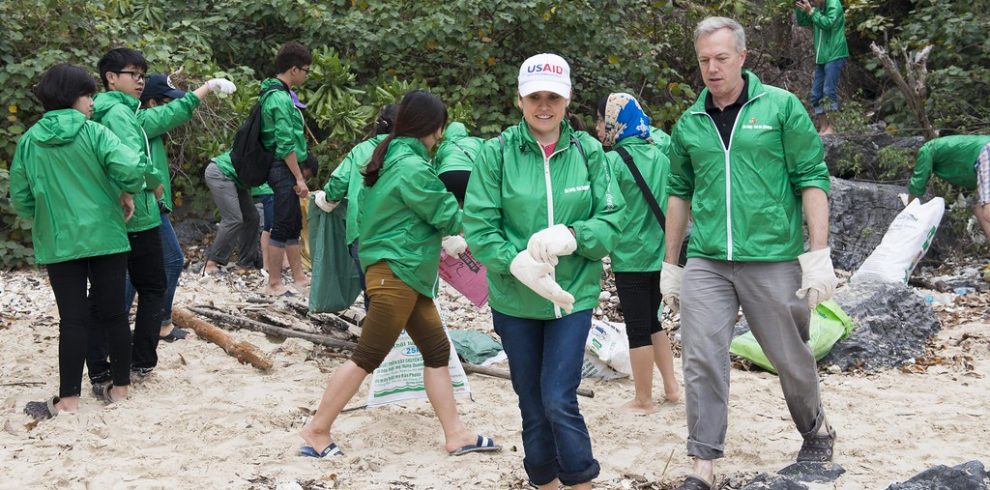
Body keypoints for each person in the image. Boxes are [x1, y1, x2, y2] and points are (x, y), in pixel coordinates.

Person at [660, 18, 839, 490]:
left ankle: (815, 427)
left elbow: (811, 179)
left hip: (773, 256)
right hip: (709, 259)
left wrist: (817, 256)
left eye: (721, 58)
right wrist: (671, 263)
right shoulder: (690, 122)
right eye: (704, 60)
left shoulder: (779, 107)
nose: (712, 68)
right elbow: (679, 192)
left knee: (789, 356)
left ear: (742, 56)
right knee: (699, 355)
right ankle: (702, 461)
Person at [298, 90, 498, 458]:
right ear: (431, 127)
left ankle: (455, 434)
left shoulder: (390, 156)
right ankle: (316, 430)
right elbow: (445, 212)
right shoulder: (411, 166)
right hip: (397, 272)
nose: (439, 138)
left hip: (407, 274)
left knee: (437, 353)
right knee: (367, 356)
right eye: (439, 130)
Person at [464, 53, 625, 490]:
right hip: (514, 300)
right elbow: (479, 224)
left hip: (572, 296)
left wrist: (574, 235)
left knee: (558, 397)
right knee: (531, 403)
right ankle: (543, 481)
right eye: (535, 96)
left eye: (553, 96)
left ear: (566, 99)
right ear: (520, 99)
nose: (544, 105)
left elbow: (611, 219)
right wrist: (513, 260)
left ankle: (580, 481)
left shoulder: (590, 152)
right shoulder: (495, 153)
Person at [11, 64, 146, 417]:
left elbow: (22, 198)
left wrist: (46, 216)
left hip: (59, 241)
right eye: (88, 95)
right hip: (106, 236)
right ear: (73, 97)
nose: (92, 102)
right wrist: (125, 192)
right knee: (115, 313)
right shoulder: (95, 133)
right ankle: (120, 390)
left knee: (71, 319)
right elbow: (131, 169)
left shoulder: (28, 141)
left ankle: (68, 399)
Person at [130, 73, 236, 342]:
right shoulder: (141, 121)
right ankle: (160, 324)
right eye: (166, 101)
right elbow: (178, 111)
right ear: (152, 103)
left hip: (151, 205)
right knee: (169, 261)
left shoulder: (143, 125)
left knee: (136, 268)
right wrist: (209, 86)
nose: (170, 106)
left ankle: (138, 323)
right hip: (147, 205)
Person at [87, 48, 168, 384]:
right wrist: (154, 180)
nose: (140, 81)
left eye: (142, 75)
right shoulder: (118, 114)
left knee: (108, 289)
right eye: (133, 74)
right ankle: (140, 359)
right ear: (110, 77)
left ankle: (103, 361)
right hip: (135, 213)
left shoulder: (105, 110)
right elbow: (130, 160)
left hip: (113, 213)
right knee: (151, 286)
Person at [596, 92, 680, 414]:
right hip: (660, 255)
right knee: (655, 321)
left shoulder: (613, 161)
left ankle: (643, 399)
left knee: (636, 326)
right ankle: (671, 389)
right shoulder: (660, 155)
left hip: (630, 255)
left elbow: (608, 206)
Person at [314, 104, 399, 308]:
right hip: (398, 233)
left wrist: (327, 200)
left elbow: (337, 185)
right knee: (400, 291)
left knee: (371, 290)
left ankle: (376, 334)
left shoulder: (361, 150)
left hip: (361, 232)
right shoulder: (410, 153)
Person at [262, 41, 313, 296]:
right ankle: (273, 282)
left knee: (292, 222)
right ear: (294, 69)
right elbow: (285, 144)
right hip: (281, 167)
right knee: (282, 224)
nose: (306, 74)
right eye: (306, 69)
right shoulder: (278, 98)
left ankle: (298, 276)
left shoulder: (280, 94)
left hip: (286, 167)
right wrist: (298, 177)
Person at [907, 135, 990, 241]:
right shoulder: (928, 152)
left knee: (984, 208)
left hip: (984, 151)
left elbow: (916, 186)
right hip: (981, 153)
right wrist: (909, 213)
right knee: (980, 206)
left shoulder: (928, 150)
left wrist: (909, 209)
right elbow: (916, 186)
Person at [202, 150, 264, 274]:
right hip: (220, 172)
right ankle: (211, 263)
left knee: (252, 217)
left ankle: (246, 263)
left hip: (236, 178)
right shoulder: (273, 155)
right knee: (233, 219)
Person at [796, 0, 849, 135]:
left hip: (835, 53)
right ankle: (824, 126)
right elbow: (803, 22)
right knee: (815, 95)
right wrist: (799, 6)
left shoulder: (833, 4)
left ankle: (833, 127)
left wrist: (811, 11)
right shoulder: (818, 7)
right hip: (822, 56)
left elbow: (827, 23)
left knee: (829, 91)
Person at [433, 121, 483, 203]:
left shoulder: (444, 145)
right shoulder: (476, 142)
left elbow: (436, 166)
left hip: (446, 175)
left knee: (448, 207)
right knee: (472, 207)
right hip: (470, 174)